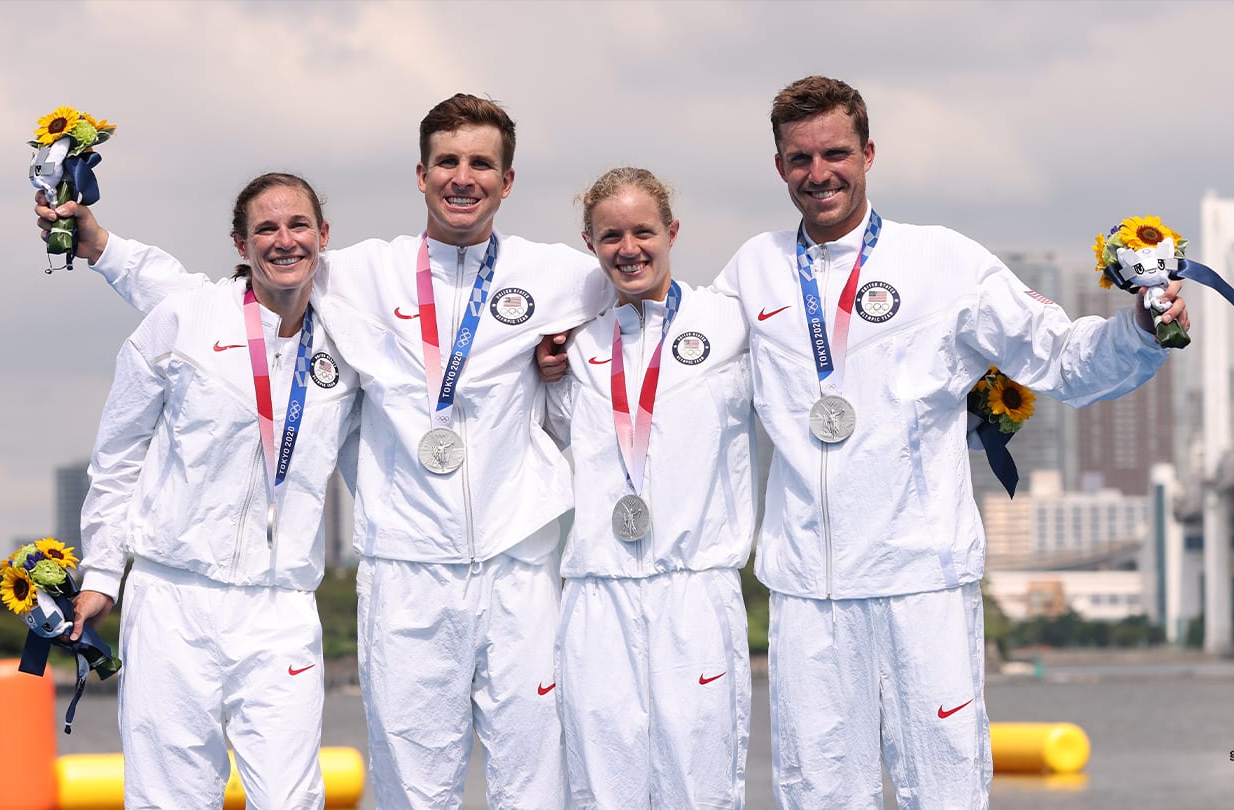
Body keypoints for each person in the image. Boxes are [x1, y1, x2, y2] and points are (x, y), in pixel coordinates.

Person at [39, 95, 613, 808]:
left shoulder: (564, 276)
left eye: (480, 163)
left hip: (518, 560)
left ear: (507, 178)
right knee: (410, 784)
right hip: (403, 567)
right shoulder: (356, 276)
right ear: (421, 173)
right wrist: (104, 249)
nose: (463, 177)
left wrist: (560, 364)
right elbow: (210, 301)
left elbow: (644, 287)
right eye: (447, 162)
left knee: (535, 778)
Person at [710, 76, 1191, 809]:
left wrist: (1136, 329)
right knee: (815, 793)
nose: (819, 173)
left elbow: (1057, 356)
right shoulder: (752, 271)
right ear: (779, 167)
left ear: (869, 153)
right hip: (808, 589)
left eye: (835, 152)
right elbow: (687, 374)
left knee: (944, 788)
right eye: (800, 159)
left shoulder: (944, 262)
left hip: (922, 581)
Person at [71, 172, 361, 808]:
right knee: (167, 798)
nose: (284, 241)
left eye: (298, 226)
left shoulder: (351, 336)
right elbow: (118, 457)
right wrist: (99, 574)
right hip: (172, 596)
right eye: (265, 229)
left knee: (292, 800)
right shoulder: (185, 319)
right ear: (240, 242)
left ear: (323, 236)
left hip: (281, 605)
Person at [543, 168, 754, 807]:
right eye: (611, 236)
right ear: (589, 243)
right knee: (600, 787)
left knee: (701, 784)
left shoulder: (733, 323)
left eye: (643, 231)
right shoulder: (572, 340)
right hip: (595, 591)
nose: (628, 248)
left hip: (696, 590)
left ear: (673, 232)